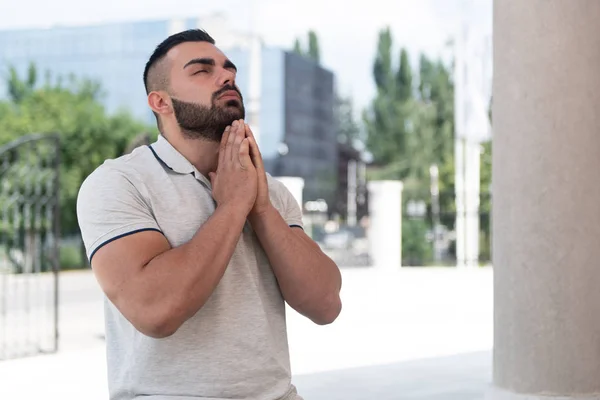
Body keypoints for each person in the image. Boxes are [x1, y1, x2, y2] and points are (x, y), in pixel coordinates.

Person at [76, 29, 342, 400]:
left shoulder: (268, 191)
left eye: (229, 69)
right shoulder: (118, 183)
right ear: (161, 102)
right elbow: (155, 310)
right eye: (202, 71)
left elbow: (326, 304)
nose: (226, 76)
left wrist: (260, 209)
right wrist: (233, 207)